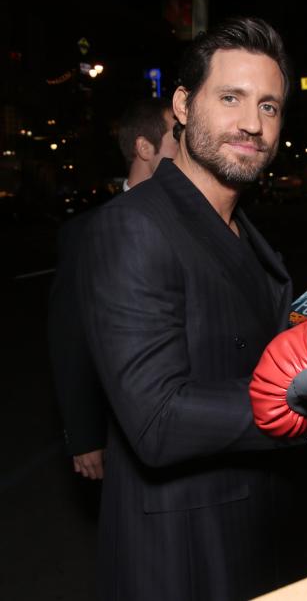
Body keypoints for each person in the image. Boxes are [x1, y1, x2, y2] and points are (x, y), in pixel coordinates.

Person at [76, 17, 307, 600]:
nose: (253, 124)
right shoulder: (133, 226)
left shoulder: (246, 231)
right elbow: (157, 419)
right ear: (182, 104)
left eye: (270, 107)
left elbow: (261, 354)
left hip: (261, 529)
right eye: (231, 98)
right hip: (183, 552)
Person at [48, 97, 177, 480]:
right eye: (177, 137)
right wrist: (85, 436)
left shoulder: (201, 222)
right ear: (144, 148)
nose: (189, 146)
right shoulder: (87, 234)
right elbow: (71, 337)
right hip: (121, 430)